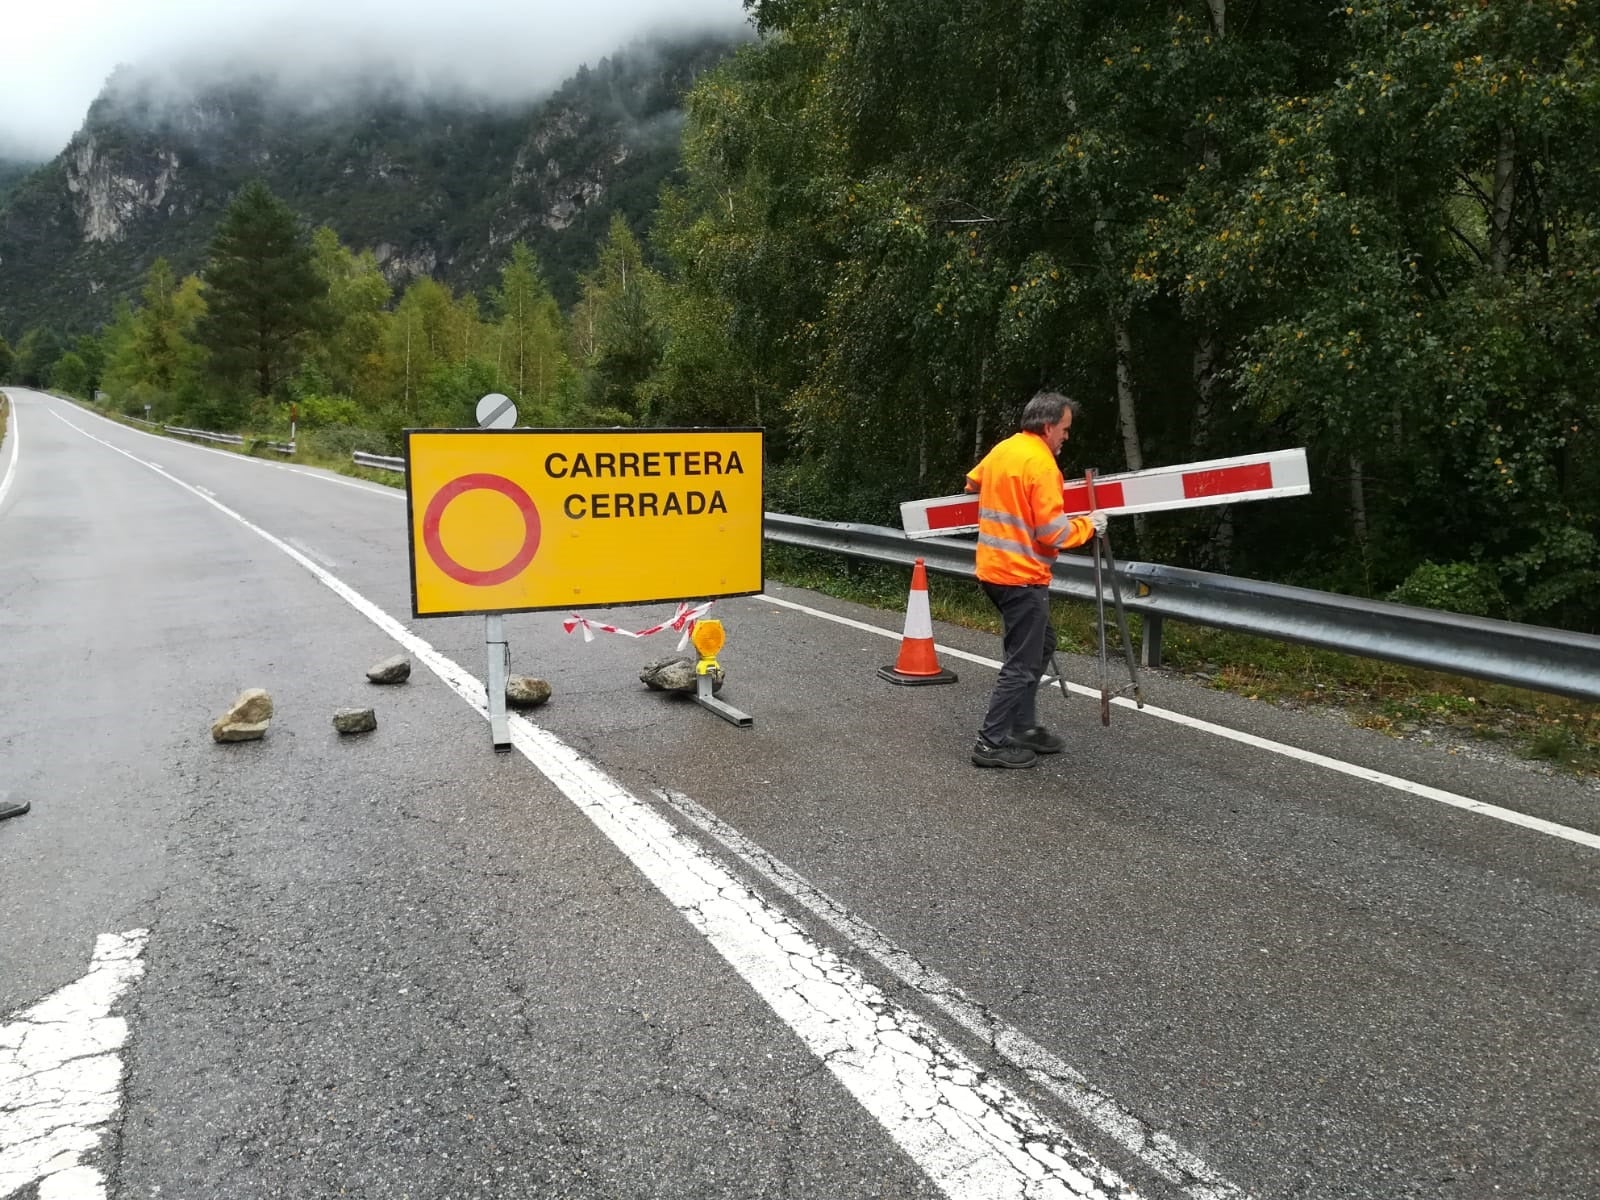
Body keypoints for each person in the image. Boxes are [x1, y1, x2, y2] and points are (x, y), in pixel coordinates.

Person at [964, 391, 1105, 768]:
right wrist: (1088, 526)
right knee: (1022, 663)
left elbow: (972, 484)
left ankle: (1023, 727)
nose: (1066, 436)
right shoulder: (1042, 465)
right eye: (1064, 429)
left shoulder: (1004, 450)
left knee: (1041, 647)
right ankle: (991, 742)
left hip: (994, 571)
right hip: (1022, 577)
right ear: (1047, 427)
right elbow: (1053, 534)